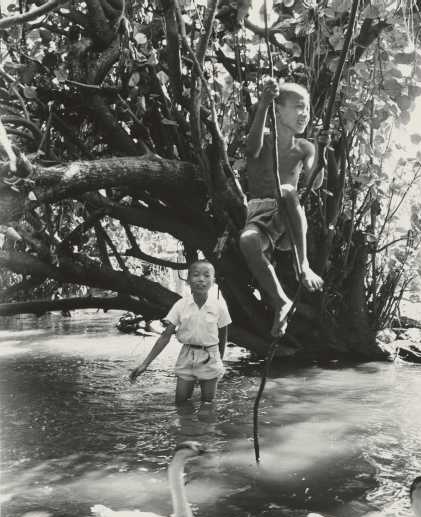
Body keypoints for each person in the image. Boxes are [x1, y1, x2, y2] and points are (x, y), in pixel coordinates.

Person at [240, 79, 328, 337]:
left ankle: (303, 265)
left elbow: (315, 182)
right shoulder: (263, 137)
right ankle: (281, 300)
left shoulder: (304, 146)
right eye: (298, 107)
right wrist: (264, 104)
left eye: (307, 109)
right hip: (258, 213)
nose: (305, 114)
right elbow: (251, 149)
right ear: (279, 110)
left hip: (287, 217)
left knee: (288, 190)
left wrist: (321, 149)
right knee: (247, 240)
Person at [129, 260, 231, 403]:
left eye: (207, 276)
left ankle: (206, 426)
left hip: (210, 356)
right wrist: (145, 364)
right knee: (181, 403)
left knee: (208, 405)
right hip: (186, 355)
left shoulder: (219, 306)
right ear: (188, 280)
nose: (201, 279)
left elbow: (223, 334)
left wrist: (219, 360)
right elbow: (165, 336)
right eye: (196, 275)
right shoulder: (181, 305)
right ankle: (185, 425)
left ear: (213, 281)